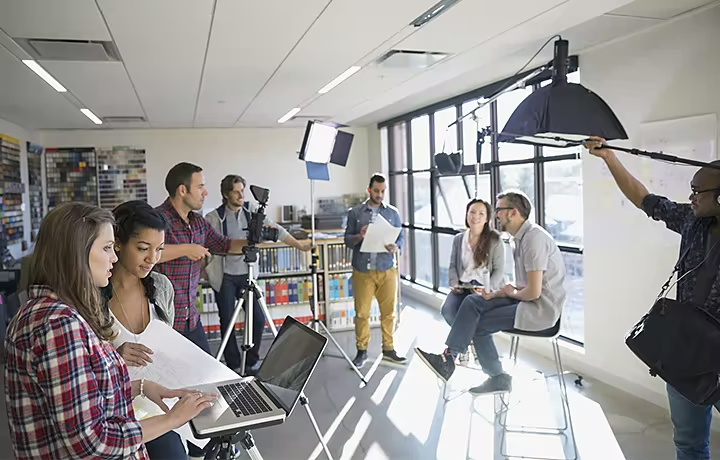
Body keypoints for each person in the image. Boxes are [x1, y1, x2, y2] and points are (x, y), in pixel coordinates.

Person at [3, 202, 215, 460]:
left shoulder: (51, 312)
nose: (113, 257)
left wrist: (139, 387)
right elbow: (92, 442)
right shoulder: (59, 325)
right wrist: (175, 418)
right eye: (106, 248)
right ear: (76, 253)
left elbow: (80, 395)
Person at [584, 136, 720, 460]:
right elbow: (644, 199)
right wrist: (609, 159)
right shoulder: (692, 220)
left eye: (697, 191)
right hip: (685, 350)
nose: (691, 197)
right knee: (688, 443)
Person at [415, 191, 567, 394]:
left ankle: (494, 376)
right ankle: (449, 359)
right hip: (524, 300)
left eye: (499, 210)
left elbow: (533, 292)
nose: (496, 215)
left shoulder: (533, 240)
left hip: (539, 310)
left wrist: (507, 292)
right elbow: (523, 284)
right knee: (472, 302)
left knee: (478, 325)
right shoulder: (518, 239)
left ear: (512, 213)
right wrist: (497, 294)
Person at [101, 200, 195, 459]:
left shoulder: (162, 287)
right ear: (117, 243)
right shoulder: (92, 294)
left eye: (159, 249)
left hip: (159, 406)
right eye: (143, 248)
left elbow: (168, 345)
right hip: (112, 411)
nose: (152, 259)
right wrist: (113, 355)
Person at [205, 175, 312, 376]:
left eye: (242, 191)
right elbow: (207, 244)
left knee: (258, 319)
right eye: (236, 191)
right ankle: (234, 364)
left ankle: (252, 361)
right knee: (227, 320)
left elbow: (277, 231)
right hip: (225, 276)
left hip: (249, 275)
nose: (241, 195)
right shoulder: (213, 217)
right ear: (226, 194)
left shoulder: (252, 212)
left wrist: (300, 246)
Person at [154, 162, 247, 357]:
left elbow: (224, 245)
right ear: (182, 190)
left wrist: (252, 241)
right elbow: (146, 254)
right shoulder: (157, 219)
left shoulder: (198, 223)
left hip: (191, 320)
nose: (205, 193)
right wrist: (186, 249)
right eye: (200, 186)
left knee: (207, 375)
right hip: (163, 322)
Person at [344, 173, 406, 368]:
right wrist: (359, 236)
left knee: (389, 313)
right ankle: (361, 351)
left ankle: (388, 349)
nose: (379, 195)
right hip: (363, 270)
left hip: (387, 269)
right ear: (369, 190)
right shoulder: (355, 212)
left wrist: (396, 247)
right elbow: (347, 240)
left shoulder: (392, 213)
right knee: (362, 313)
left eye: (382, 191)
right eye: (376, 191)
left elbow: (400, 238)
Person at [442, 198, 506, 326]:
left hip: (485, 288)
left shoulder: (495, 239)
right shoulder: (459, 239)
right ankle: (464, 342)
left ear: (487, 218)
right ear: (467, 214)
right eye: (472, 212)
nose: (475, 216)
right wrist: (454, 283)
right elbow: (453, 265)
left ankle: (460, 344)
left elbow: (499, 270)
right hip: (463, 286)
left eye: (481, 213)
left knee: (471, 314)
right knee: (447, 311)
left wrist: (488, 289)